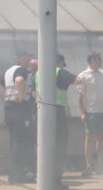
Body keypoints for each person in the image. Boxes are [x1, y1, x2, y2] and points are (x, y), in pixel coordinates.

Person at [35, 54, 81, 189]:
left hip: (40, 111)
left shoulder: (39, 72)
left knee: (43, 144)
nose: (63, 66)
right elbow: (78, 80)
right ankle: (55, 181)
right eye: (63, 64)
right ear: (59, 62)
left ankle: (43, 177)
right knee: (60, 145)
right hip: (56, 111)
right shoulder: (58, 71)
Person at [0, 49, 36, 184]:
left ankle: (13, 174)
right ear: (21, 58)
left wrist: (7, 95)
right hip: (19, 110)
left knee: (15, 141)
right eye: (28, 57)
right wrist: (22, 97)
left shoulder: (9, 70)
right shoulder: (21, 70)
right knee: (20, 142)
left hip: (10, 109)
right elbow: (19, 81)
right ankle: (18, 174)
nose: (29, 60)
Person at [77, 52, 103, 176]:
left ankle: (99, 166)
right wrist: (82, 112)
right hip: (90, 111)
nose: (101, 61)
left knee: (101, 138)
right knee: (89, 138)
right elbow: (80, 96)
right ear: (92, 60)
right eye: (99, 59)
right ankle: (89, 166)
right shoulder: (83, 75)